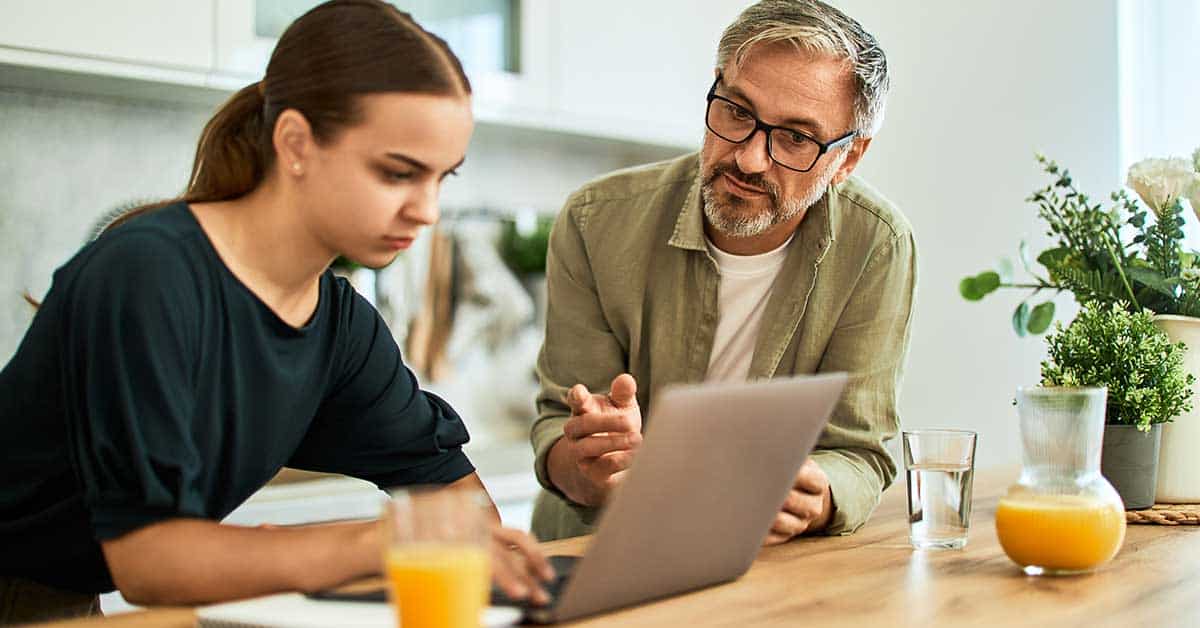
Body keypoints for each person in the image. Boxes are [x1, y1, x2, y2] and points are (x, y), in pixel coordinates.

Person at [0, 1, 553, 623]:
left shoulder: (340, 325)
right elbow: (151, 562)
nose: (426, 210)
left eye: (441, 178)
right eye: (398, 173)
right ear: (295, 143)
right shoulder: (148, 274)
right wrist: (380, 541)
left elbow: (453, 496)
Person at [530, 0, 916, 543]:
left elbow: (859, 449)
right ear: (714, 88)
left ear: (848, 159)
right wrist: (591, 463)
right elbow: (557, 432)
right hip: (592, 553)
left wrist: (817, 493)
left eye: (796, 139)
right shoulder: (595, 220)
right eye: (737, 111)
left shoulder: (876, 243)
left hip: (761, 566)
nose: (751, 158)